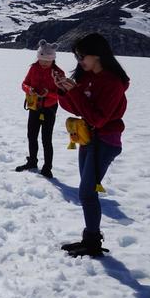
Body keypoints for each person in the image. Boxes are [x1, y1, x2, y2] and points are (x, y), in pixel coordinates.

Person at [54, 33, 129, 257]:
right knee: (86, 193)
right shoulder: (86, 77)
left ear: (97, 54)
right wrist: (63, 91)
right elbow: (77, 108)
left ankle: (93, 243)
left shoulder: (113, 83)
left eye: (82, 55)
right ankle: (90, 239)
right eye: (76, 55)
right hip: (88, 138)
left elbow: (98, 119)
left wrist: (74, 91)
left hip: (106, 142)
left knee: (87, 193)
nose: (79, 60)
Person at [15, 40, 64, 178]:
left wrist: (48, 93)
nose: (43, 63)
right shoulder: (33, 68)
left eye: (47, 61)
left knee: (46, 139)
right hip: (34, 107)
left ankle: (47, 168)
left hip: (49, 108)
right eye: (41, 60)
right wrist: (29, 89)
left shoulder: (58, 73)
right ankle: (32, 161)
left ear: (53, 59)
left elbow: (62, 94)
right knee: (31, 136)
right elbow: (24, 83)